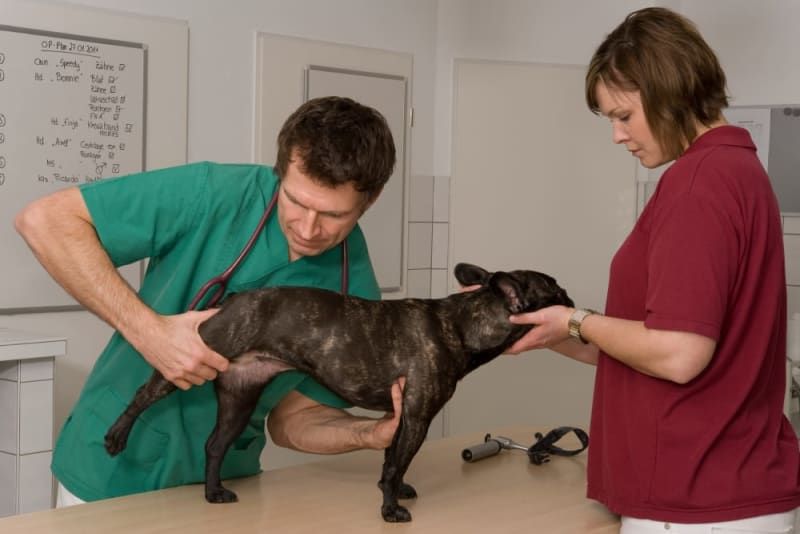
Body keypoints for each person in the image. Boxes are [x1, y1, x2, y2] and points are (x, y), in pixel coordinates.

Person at [15, 96, 404, 505]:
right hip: (111, 467)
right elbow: (45, 221)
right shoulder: (216, 193)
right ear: (281, 172)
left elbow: (294, 420)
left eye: (332, 215)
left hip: (223, 483)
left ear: (370, 199)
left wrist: (368, 434)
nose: (308, 228)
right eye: (296, 201)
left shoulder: (356, 293)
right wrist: (152, 334)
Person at [505, 7, 800, 533]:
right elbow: (652, 348)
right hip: (730, 493)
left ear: (670, 93)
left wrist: (576, 320)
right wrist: (553, 330)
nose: (617, 136)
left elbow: (680, 354)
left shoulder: (697, 185)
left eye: (624, 115)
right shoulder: (739, 171)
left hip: (697, 504)